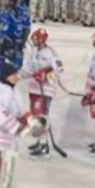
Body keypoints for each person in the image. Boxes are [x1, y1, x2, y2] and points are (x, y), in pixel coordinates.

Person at [22, 28, 63, 157]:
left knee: (41, 118)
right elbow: (29, 68)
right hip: (34, 89)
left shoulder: (51, 53)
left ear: (42, 39)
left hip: (45, 91)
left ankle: (44, 145)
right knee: (36, 118)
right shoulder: (34, 52)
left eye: (35, 38)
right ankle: (40, 142)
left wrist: (45, 74)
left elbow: (59, 70)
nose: (33, 40)